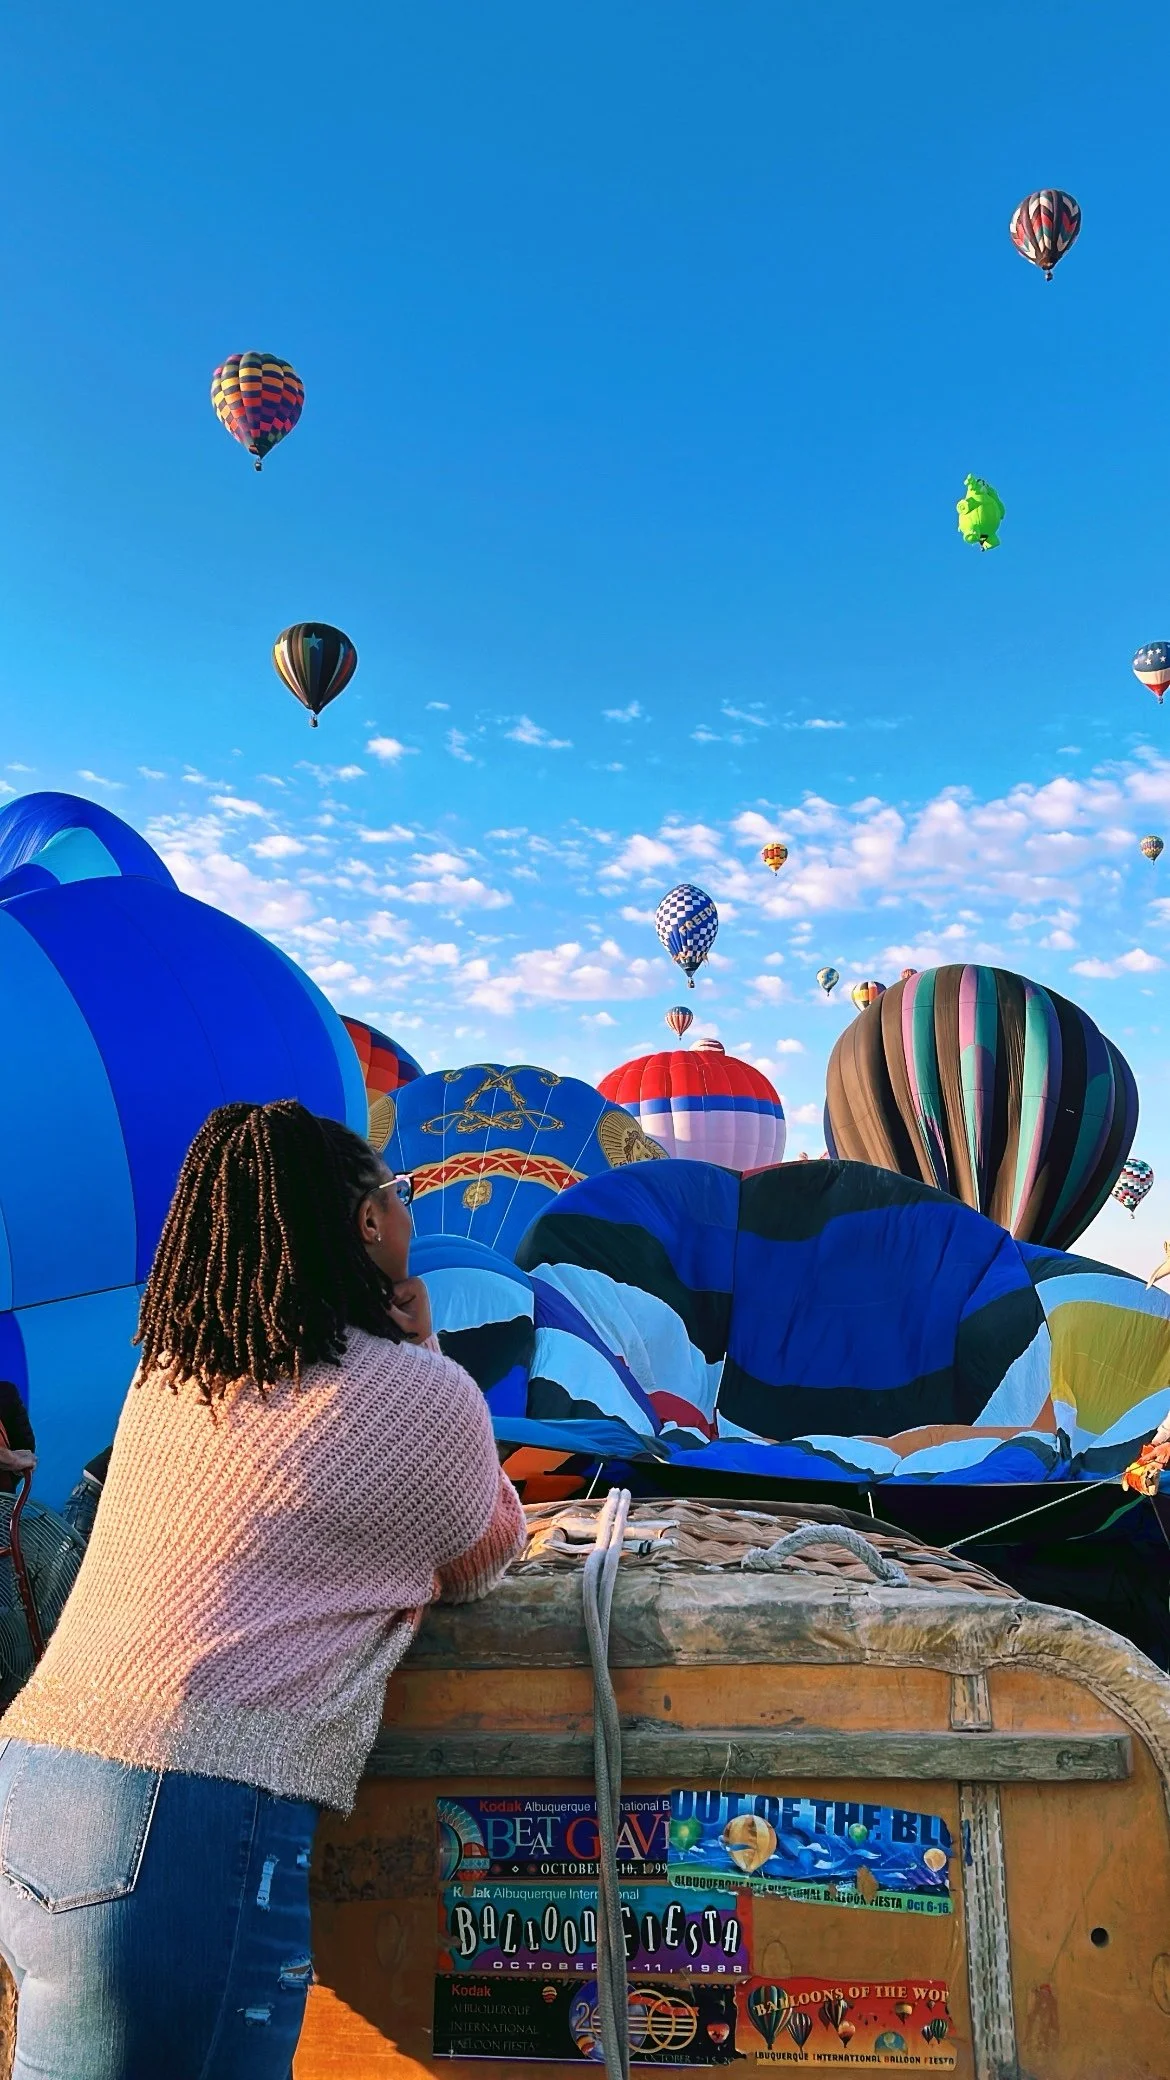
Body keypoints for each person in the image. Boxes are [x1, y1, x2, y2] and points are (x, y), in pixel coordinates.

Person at [0, 1100, 525, 2079]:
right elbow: (481, 1549)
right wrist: (427, 1351)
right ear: (367, 1221)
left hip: (37, 1787)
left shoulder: (172, 1373)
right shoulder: (415, 1393)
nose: (408, 1212)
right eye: (400, 1194)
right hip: (176, 1816)